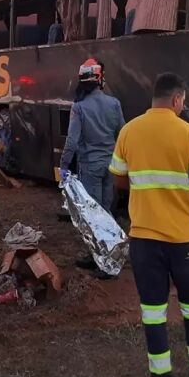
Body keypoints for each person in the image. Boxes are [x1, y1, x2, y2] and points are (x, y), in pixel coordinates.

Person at [109, 73, 189, 377]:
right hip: (184, 239)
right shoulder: (188, 133)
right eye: (183, 101)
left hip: (144, 239)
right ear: (176, 99)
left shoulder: (129, 130)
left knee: (153, 313)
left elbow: (118, 179)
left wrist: (145, 191)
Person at [59, 58, 125, 277]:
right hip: (111, 165)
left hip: (91, 166)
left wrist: (64, 165)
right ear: (99, 79)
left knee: (93, 216)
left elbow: (72, 140)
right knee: (106, 211)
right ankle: (106, 257)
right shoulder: (114, 103)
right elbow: (122, 133)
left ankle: (104, 264)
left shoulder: (79, 107)